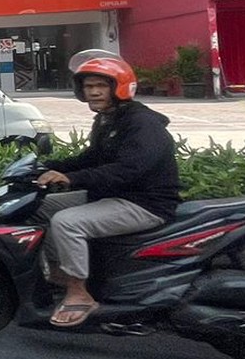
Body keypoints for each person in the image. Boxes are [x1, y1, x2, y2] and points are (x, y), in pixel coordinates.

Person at [34, 53, 180, 328]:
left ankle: (79, 292)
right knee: (42, 206)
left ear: (119, 87)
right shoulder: (107, 120)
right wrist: (45, 167)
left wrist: (71, 178)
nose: (94, 92)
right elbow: (91, 158)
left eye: (101, 86)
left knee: (67, 222)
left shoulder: (141, 123)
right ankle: (59, 273)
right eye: (89, 87)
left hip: (144, 204)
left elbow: (128, 170)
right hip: (115, 196)